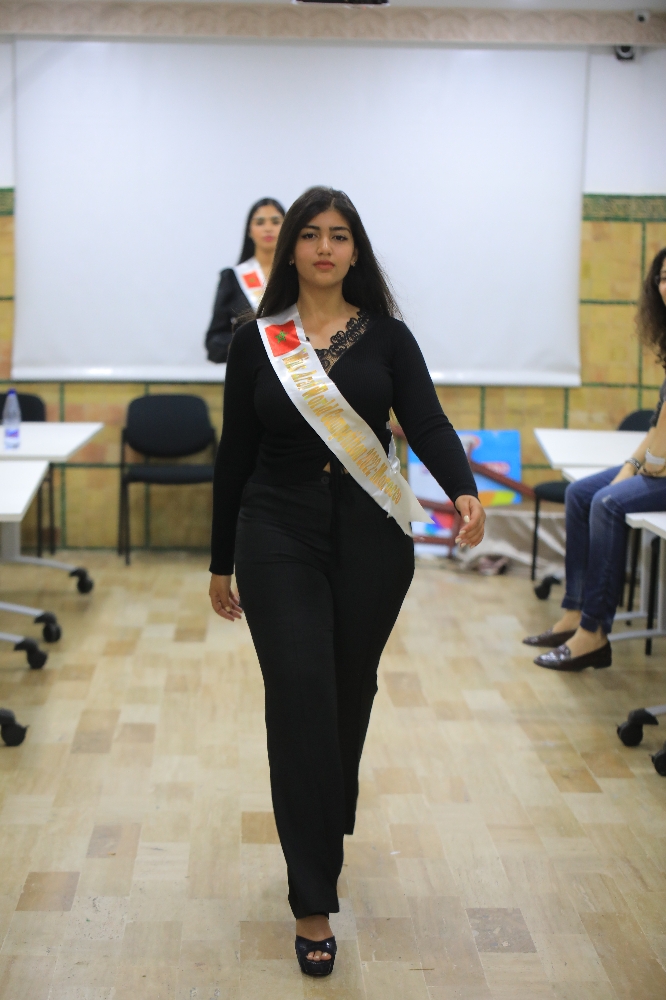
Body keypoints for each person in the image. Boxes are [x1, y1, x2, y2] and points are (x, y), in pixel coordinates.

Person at [208, 187, 485, 977]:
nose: (324, 248)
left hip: (372, 537)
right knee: (300, 693)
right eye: (311, 235)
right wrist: (220, 560)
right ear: (289, 248)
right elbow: (235, 454)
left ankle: (323, 829)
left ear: (355, 249)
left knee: (346, 690)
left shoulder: (389, 337)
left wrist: (463, 488)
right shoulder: (256, 341)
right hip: (276, 531)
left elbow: (425, 420)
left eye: (339, 235)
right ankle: (312, 894)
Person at [524, 246, 666, 671]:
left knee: (606, 503)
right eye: (662, 277)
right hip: (659, 464)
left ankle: (593, 633)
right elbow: (657, 425)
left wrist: (653, 462)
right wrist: (631, 466)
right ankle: (574, 611)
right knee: (581, 493)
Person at [205, 198, 285, 363]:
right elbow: (214, 342)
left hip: (297, 370)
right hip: (250, 372)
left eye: (275, 222)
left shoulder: (301, 276)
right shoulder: (233, 279)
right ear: (249, 230)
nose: (268, 228)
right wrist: (247, 343)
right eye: (260, 222)